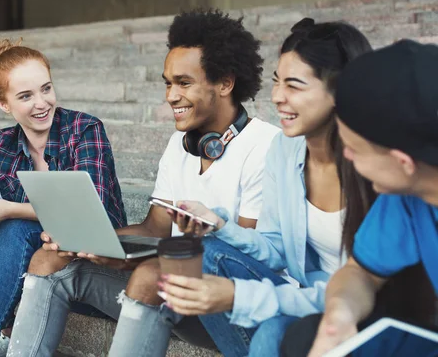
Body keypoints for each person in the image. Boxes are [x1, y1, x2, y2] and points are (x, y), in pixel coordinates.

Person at [4, 8, 280, 356]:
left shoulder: (265, 146)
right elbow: (154, 228)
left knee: (149, 273)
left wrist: (133, 260)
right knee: (48, 260)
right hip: (169, 284)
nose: (171, 96)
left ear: (225, 82)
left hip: (231, 300)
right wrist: (84, 241)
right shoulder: (180, 144)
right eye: (168, 83)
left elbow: (241, 255)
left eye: (184, 83)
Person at [157, 18, 376, 357]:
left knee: (271, 332)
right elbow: (276, 248)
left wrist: (238, 296)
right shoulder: (284, 152)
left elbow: (361, 290)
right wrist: (220, 225)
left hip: (363, 307)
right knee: (206, 248)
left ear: (340, 90)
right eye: (276, 83)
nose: (277, 97)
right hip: (309, 296)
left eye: (294, 85)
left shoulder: (377, 168)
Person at [0, 39, 127, 357]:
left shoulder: (84, 129)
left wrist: (10, 209)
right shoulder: (5, 142)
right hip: (34, 257)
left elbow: (94, 207)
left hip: (91, 255)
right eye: (25, 96)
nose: (41, 103)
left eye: (46, 89)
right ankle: (4, 326)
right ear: (4, 104)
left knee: (15, 225)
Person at [285, 40, 438, 357]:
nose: (347, 156)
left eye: (353, 148)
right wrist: (340, 314)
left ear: (403, 162)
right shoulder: (408, 196)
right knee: (305, 336)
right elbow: (361, 272)